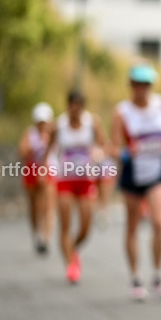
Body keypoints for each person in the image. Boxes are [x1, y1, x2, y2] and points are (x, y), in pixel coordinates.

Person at [112, 65, 161, 301]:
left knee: (159, 221)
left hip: (158, 171)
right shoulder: (122, 112)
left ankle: (157, 275)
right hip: (132, 173)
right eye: (137, 85)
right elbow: (114, 147)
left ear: (151, 86)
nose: (142, 90)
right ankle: (136, 278)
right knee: (132, 225)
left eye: (146, 85)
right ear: (131, 86)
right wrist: (127, 152)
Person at [46, 90, 106, 283]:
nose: (76, 110)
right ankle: (71, 265)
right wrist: (45, 169)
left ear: (83, 107)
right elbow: (48, 152)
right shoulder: (59, 126)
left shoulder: (92, 123)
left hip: (86, 180)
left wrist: (99, 154)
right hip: (65, 180)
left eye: (79, 106)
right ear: (68, 105)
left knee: (86, 228)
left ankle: (73, 249)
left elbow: (104, 145)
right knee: (65, 225)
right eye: (73, 105)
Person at [19, 102, 56, 255]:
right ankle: (36, 234)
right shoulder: (30, 133)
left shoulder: (54, 133)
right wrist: (33, 148)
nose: (42, 125)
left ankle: (45, 239)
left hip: (49, 170)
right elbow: (22, 151)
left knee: (48, 205)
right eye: (40, 122)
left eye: (45, 122)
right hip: (32, 170)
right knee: (34, 206)